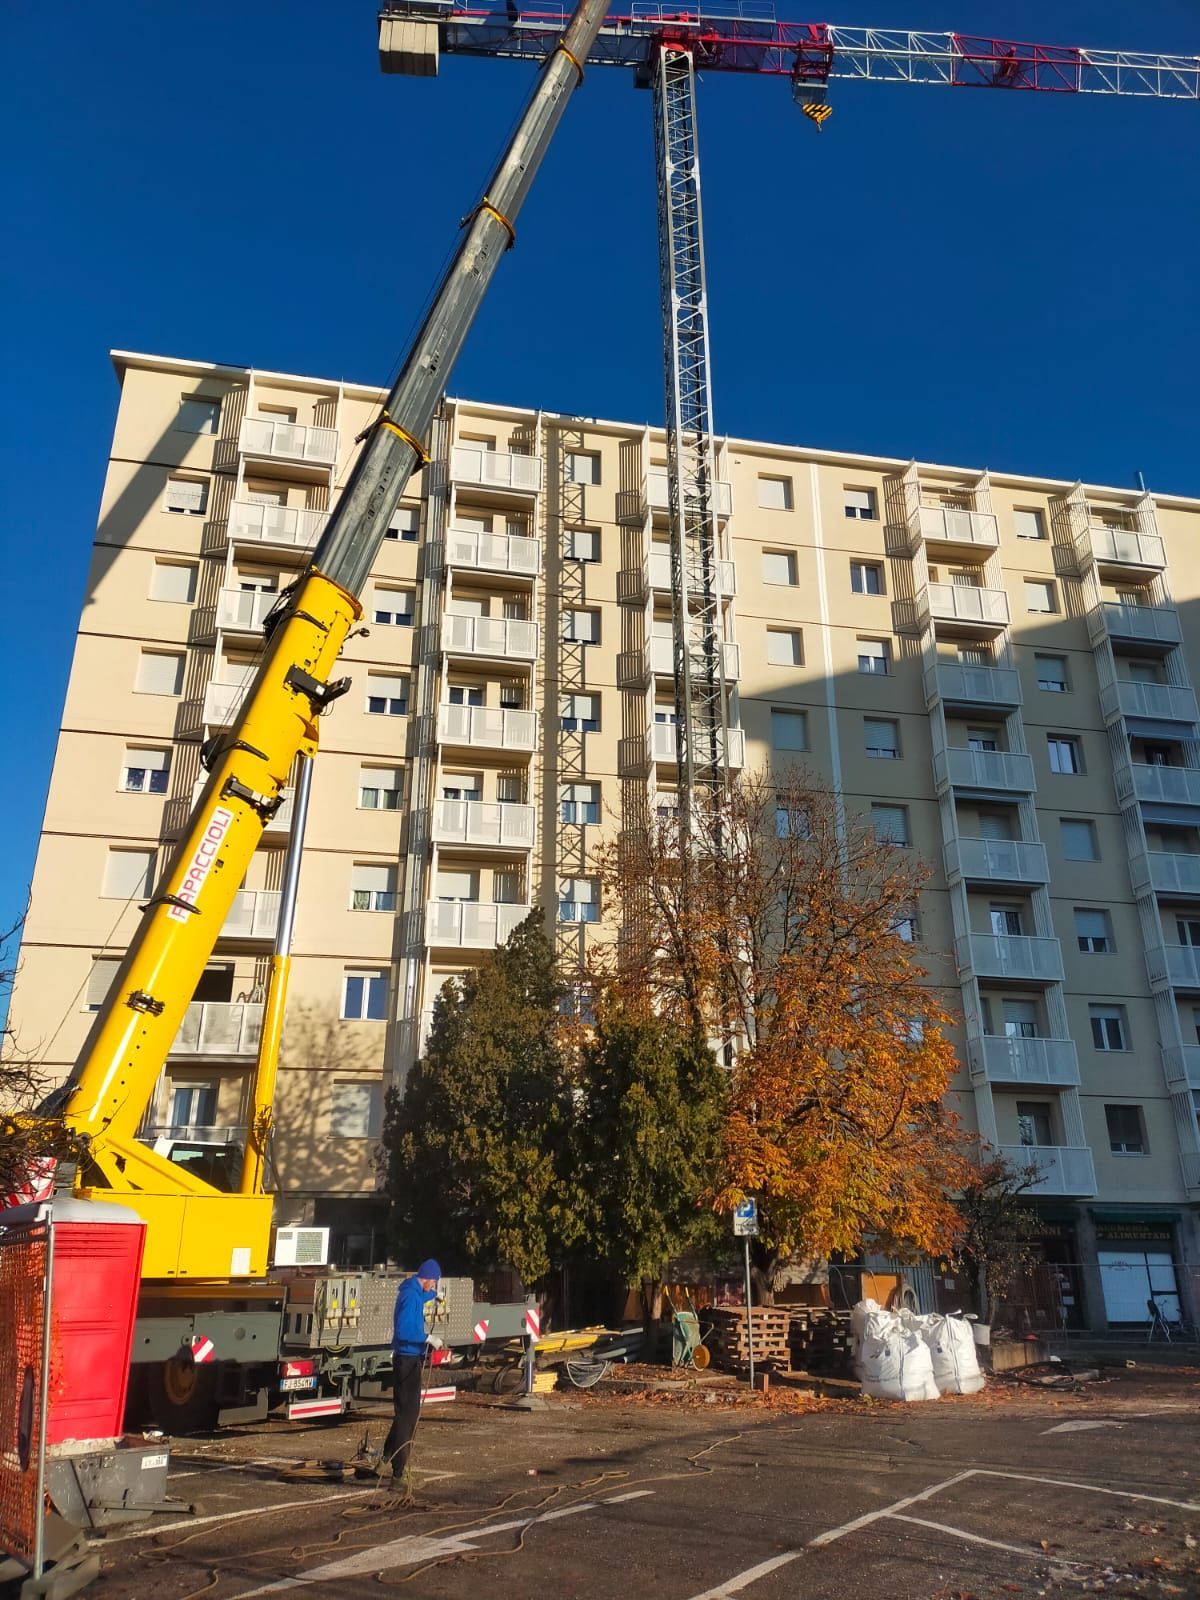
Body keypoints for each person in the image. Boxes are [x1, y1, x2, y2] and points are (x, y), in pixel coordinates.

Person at [382, 1260, 441, 1489]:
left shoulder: (414, 1292)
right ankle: (399, 1474)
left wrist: (433, 1296)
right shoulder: (410, 1297)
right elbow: (406, 1330)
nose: (434, 1285)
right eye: (433, 1282)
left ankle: (384, 1460)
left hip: (409, 1359)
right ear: (426, 1277)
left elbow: (421, 1297)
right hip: (407, 1361)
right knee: (408, 1416)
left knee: (405, 1413)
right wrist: (428, 1338)